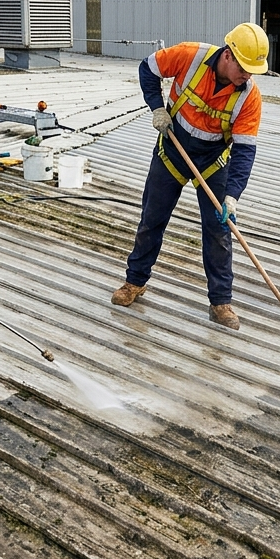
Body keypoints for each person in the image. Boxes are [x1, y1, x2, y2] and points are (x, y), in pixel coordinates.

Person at [110, 23, 269, 330]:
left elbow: (245, 152)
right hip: (173, 151)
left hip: (212, 163)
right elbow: (147, 68)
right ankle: (135, 282)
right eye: (244, 68)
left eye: (253, 70)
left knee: (219, 231)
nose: (248, 76)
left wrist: (232, 197)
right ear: (228, 56)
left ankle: (221, 301)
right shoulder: (189, 56)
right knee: (152, 219)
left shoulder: (249, 97)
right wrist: (158, 108)